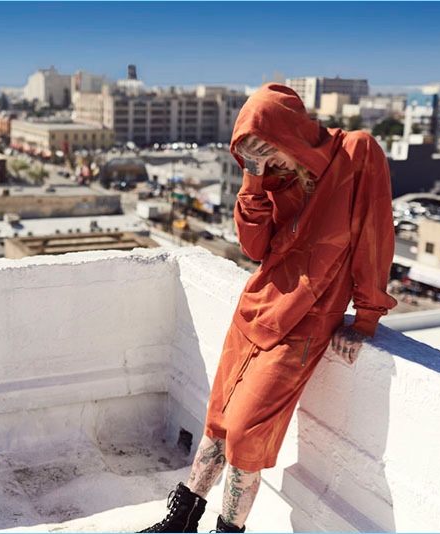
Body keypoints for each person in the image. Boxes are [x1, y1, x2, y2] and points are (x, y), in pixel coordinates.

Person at [138, 83, 397, 533]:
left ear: (291, 132)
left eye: (268, 150)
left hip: (306, 322)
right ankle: (180, 521)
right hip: (255, 309)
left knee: (245, 434)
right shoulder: (271, 177)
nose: (267, 162)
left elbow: (376, 233)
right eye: (251, 156)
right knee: (218, 420)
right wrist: (255, 177)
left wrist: (367, 316)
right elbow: (254, 247)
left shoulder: (357, 152)